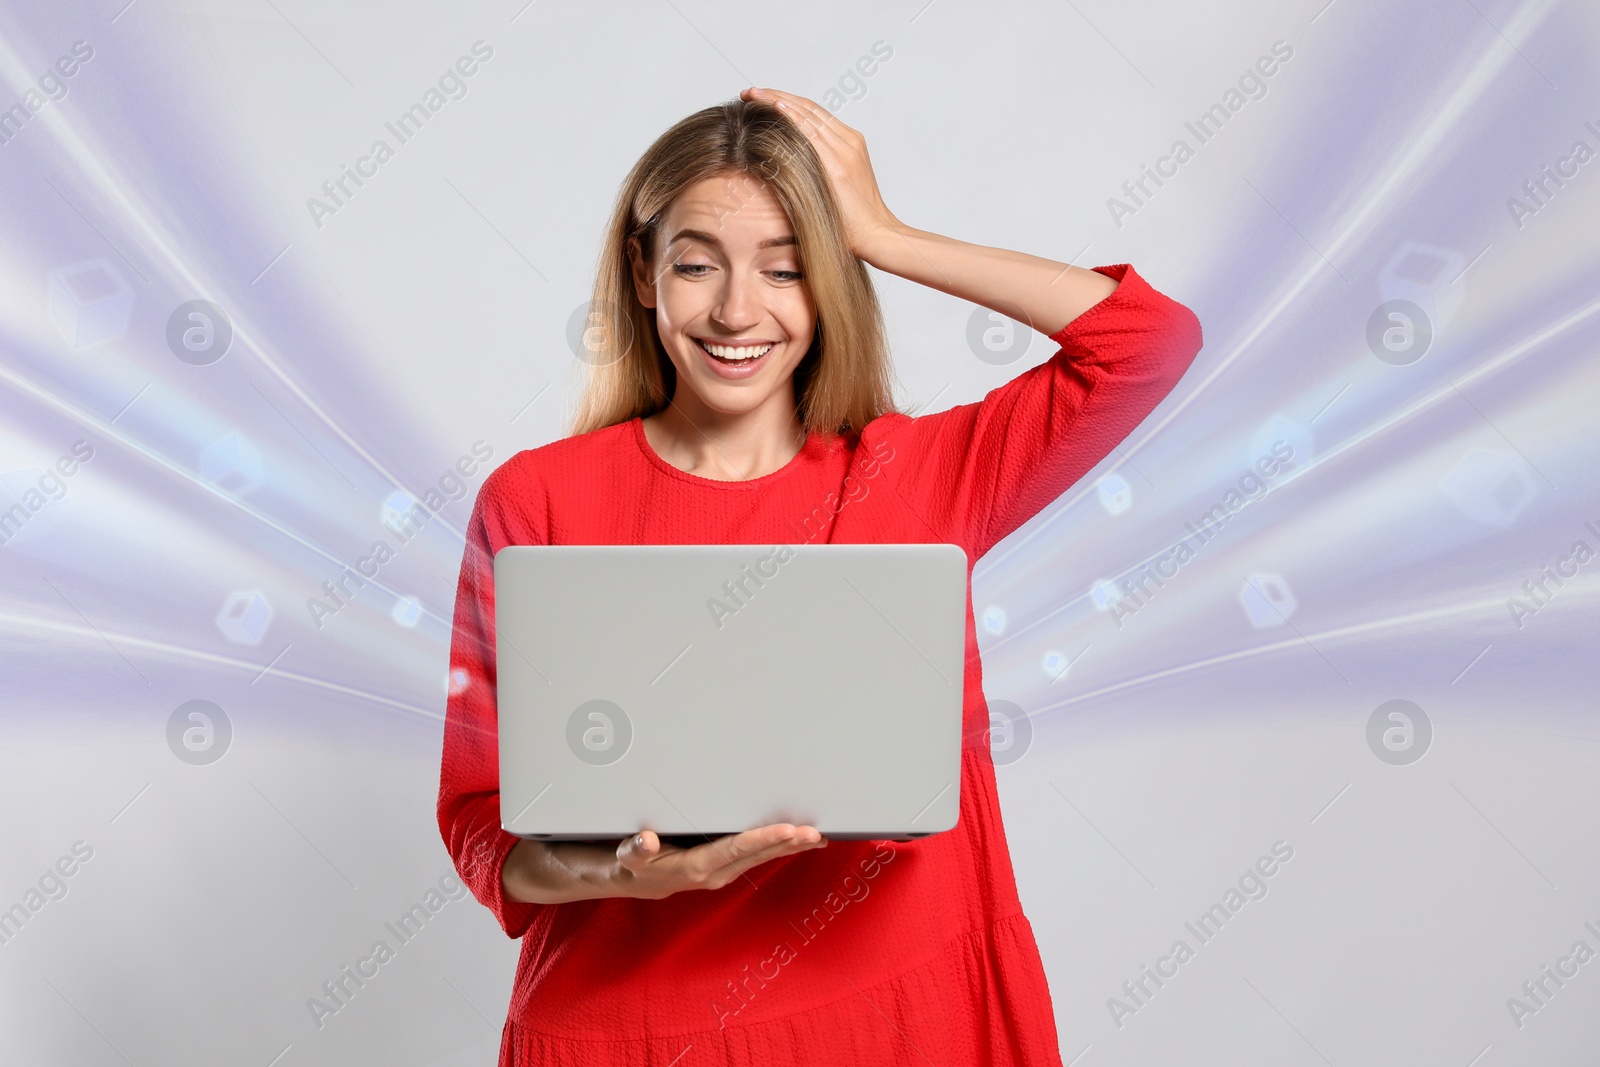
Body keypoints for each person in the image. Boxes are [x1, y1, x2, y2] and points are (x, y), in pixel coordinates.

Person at [438, 86, 1202, 1066]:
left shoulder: (923, 471)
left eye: (787, 268)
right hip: (629, 1026)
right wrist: (626, 879)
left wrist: (885, 234)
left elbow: (1146, 342)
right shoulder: (534, 499)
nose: (735, 310)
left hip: (901, 1013)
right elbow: (476, 817)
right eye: (695, 265)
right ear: (642, 273)